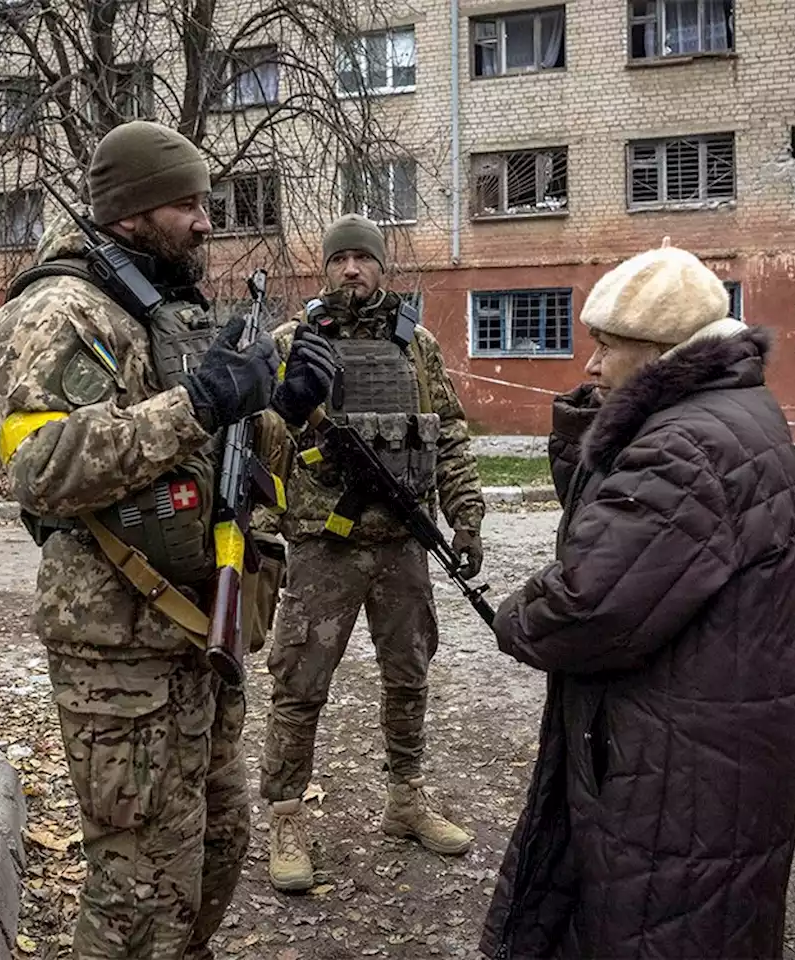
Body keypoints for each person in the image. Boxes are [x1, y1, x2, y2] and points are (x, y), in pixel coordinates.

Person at [0, 120, 329, 958]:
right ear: (133, 211)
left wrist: (280, 411)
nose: (206, 221)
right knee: (138, 886)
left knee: (213, 853)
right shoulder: (57, 309)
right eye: (188, 203)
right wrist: (200, 403)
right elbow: (42, 468)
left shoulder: (163, 308)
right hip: (118, 653)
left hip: (195, 635)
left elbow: (219, 464)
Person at [479, 244, 795, 959]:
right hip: (714, 744)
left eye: (607, 347)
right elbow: (636, 542)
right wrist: (594, 436)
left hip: (680, 767)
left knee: (660, 928)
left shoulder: (686, 446)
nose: (591, 366)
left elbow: (590, 603)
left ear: (664, 355)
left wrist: (514, 615)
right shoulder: (731, 411)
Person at [258, 213, 486, 893]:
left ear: (383, 267)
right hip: (324, 543)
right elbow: (260, 442)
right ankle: (286, 818)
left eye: (363, 258)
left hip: (402, 544)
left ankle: (405, 801)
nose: (351, 270)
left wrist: (466, 516)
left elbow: (446, 433)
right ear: (324, 270)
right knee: (299, 683)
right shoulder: (292, 342)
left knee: (409, 675)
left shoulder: (416, 345)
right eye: (339, 260)